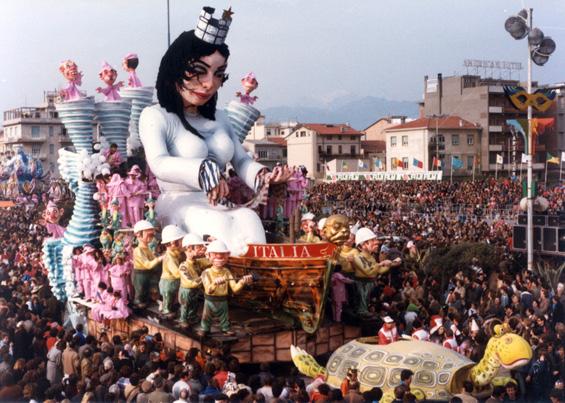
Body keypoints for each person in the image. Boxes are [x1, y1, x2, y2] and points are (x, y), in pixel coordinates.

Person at [139, 8, 291, 255]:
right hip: (178, 202)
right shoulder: (155, 116)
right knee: (219, 226)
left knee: (249, 221)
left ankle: (255, 283)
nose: (209, 83)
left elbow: (240, 160)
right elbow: (158, 163)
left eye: (218, 74)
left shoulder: (220, 118)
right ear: (175, 70)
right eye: (199, 72)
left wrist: (264, 177)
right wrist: (201, 170)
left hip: (218, 202)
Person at [198, 240, 253, 337]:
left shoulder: (226, 272)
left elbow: (235, 289)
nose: (219, 257)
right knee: (206, 317)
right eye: (215, 254)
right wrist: (215, 283)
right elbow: (208, 290)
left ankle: (225, 328)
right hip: (210, 301)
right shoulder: (206, 273)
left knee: (225, 319)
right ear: (208, 255)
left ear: (227, 256)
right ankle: (205, 328)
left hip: (223, 300)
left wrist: (242, 282)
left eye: (222, 255)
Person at [350, 228, 393, 316]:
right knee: (362, 299)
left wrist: (388, 265)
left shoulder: (371, 257)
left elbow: (377, 271)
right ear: (363, 245)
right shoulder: (358, 257)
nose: (376, 243)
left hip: (369, 283)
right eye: (372, 240)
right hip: (362, 283)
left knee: (366, 299)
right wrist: (381, 264)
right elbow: (368, 271)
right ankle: (362, 311)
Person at [177, 233, 207, 327]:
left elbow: (209, 261)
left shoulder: (197, 262)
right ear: (189, 248)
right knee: (185, 306)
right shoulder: (183, 266)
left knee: (194, 304)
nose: (202, 248)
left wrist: (210, 254)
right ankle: (183, 319)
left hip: (195, 290)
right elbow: (189, 283)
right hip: (186, 290)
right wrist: (203, 278)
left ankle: (192, 316)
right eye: (199, 247)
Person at [132, 220, 163, 308]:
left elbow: (153, 259)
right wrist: (159, 258)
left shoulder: (147, 248)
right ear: (138, 234)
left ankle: (145, 301)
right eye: (148, 235)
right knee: (140, 290)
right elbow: (148, 264)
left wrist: (159, 257)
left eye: (152, 235)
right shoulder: (138, 250)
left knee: (146, 289)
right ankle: (138, 302)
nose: (151, 237)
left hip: (147, 273)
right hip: (140, 274)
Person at [159, 225, 186, 317]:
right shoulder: (169, 257)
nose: (183, 243)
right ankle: (166, 311)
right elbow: (176, 272)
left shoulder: (176, 254)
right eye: (181, 240)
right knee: (168, 297)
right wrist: (187, 274)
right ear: (173, 243)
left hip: (173, 282)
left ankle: (171, 308)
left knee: (172, 297)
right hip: (168, 282)